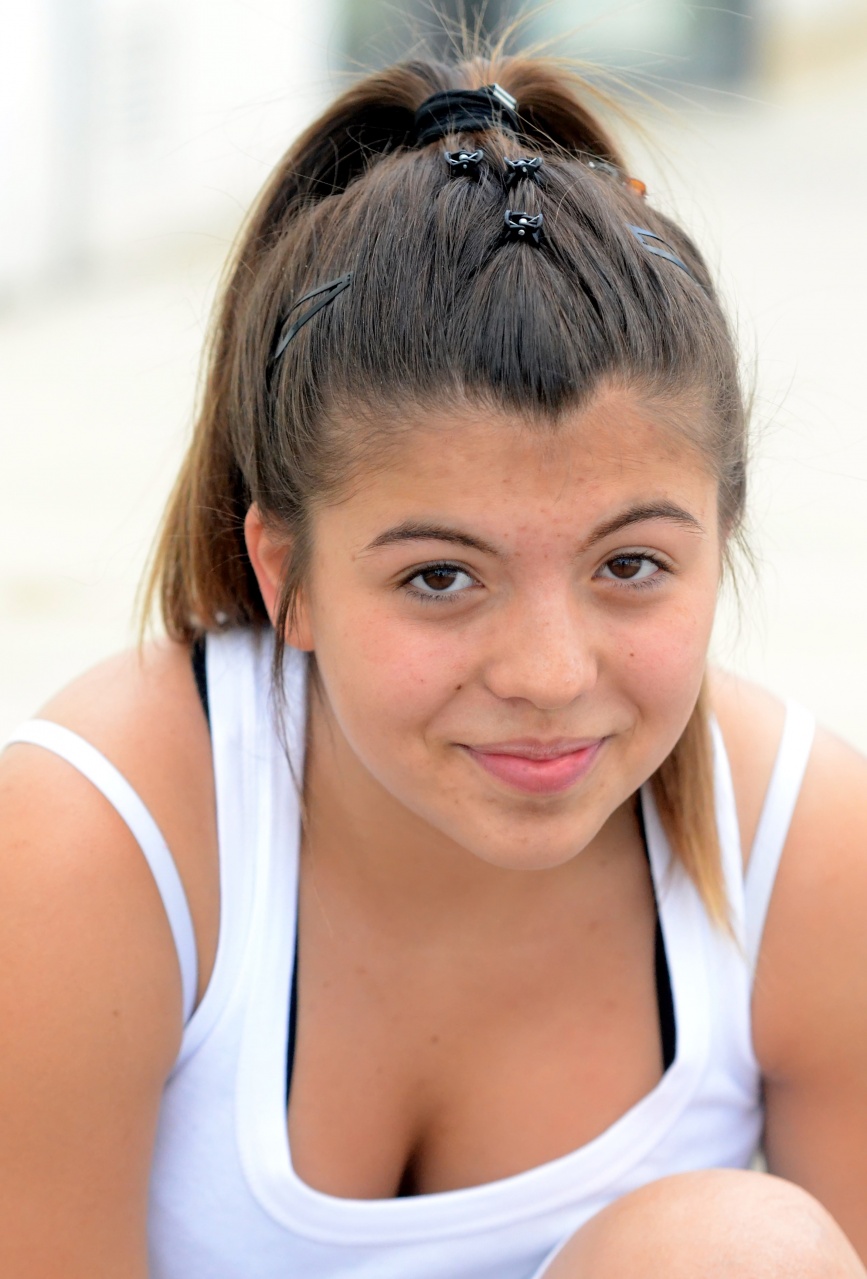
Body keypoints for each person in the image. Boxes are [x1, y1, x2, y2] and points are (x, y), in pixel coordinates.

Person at [1, 49, 866, 1279]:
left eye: (629, 564)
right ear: (285, 574)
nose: (549, 674)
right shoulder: (96, 840)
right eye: (441, 577)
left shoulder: (805, 846)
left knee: (739, 1252)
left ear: (720, 540)